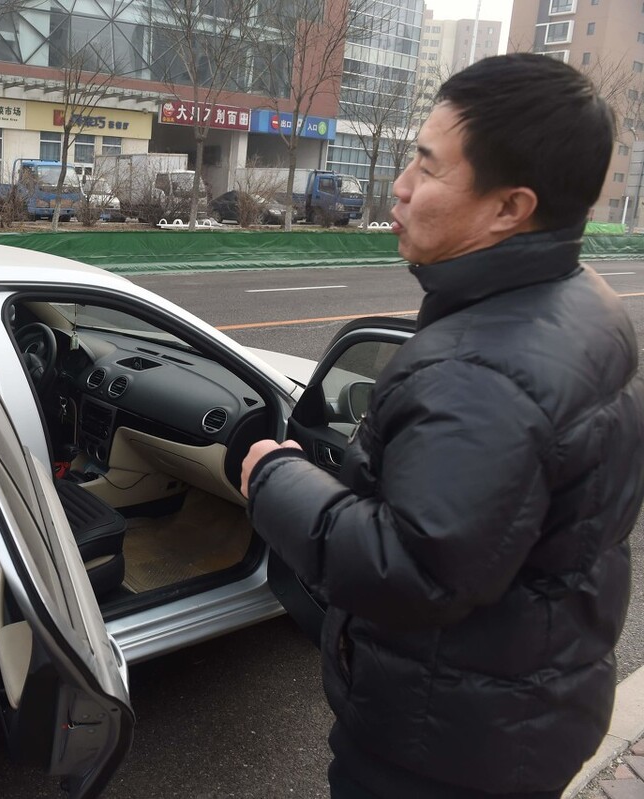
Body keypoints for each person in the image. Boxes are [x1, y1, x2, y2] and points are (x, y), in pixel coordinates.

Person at [240, 53, 644, 799]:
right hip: (527, 703)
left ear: (509, 208)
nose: (400, 185)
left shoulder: (480, 371)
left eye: (427, 167)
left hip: (443, 747)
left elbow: (415, 571)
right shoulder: (581, 297)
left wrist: (273, 475)